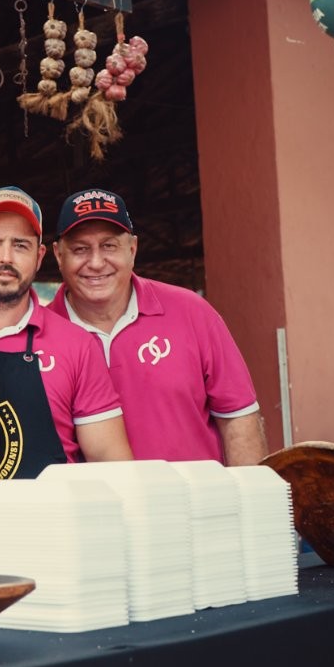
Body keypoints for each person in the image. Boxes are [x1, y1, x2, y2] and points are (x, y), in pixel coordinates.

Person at [49, 187, 266, 464]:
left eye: (109, 246)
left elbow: (238, 419)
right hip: (94, 495)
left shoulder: (192, 312)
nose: (96, 262)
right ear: (58, 255)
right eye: (80, 249)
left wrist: (250, 491)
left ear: (132, 249)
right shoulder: (40, 333)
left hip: (195, 493)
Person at [0, 186, 132, 477]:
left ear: (39, 257)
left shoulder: (76, 345)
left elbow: (111, 464)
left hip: (57, 508)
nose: (5, 258)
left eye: (20, 245)